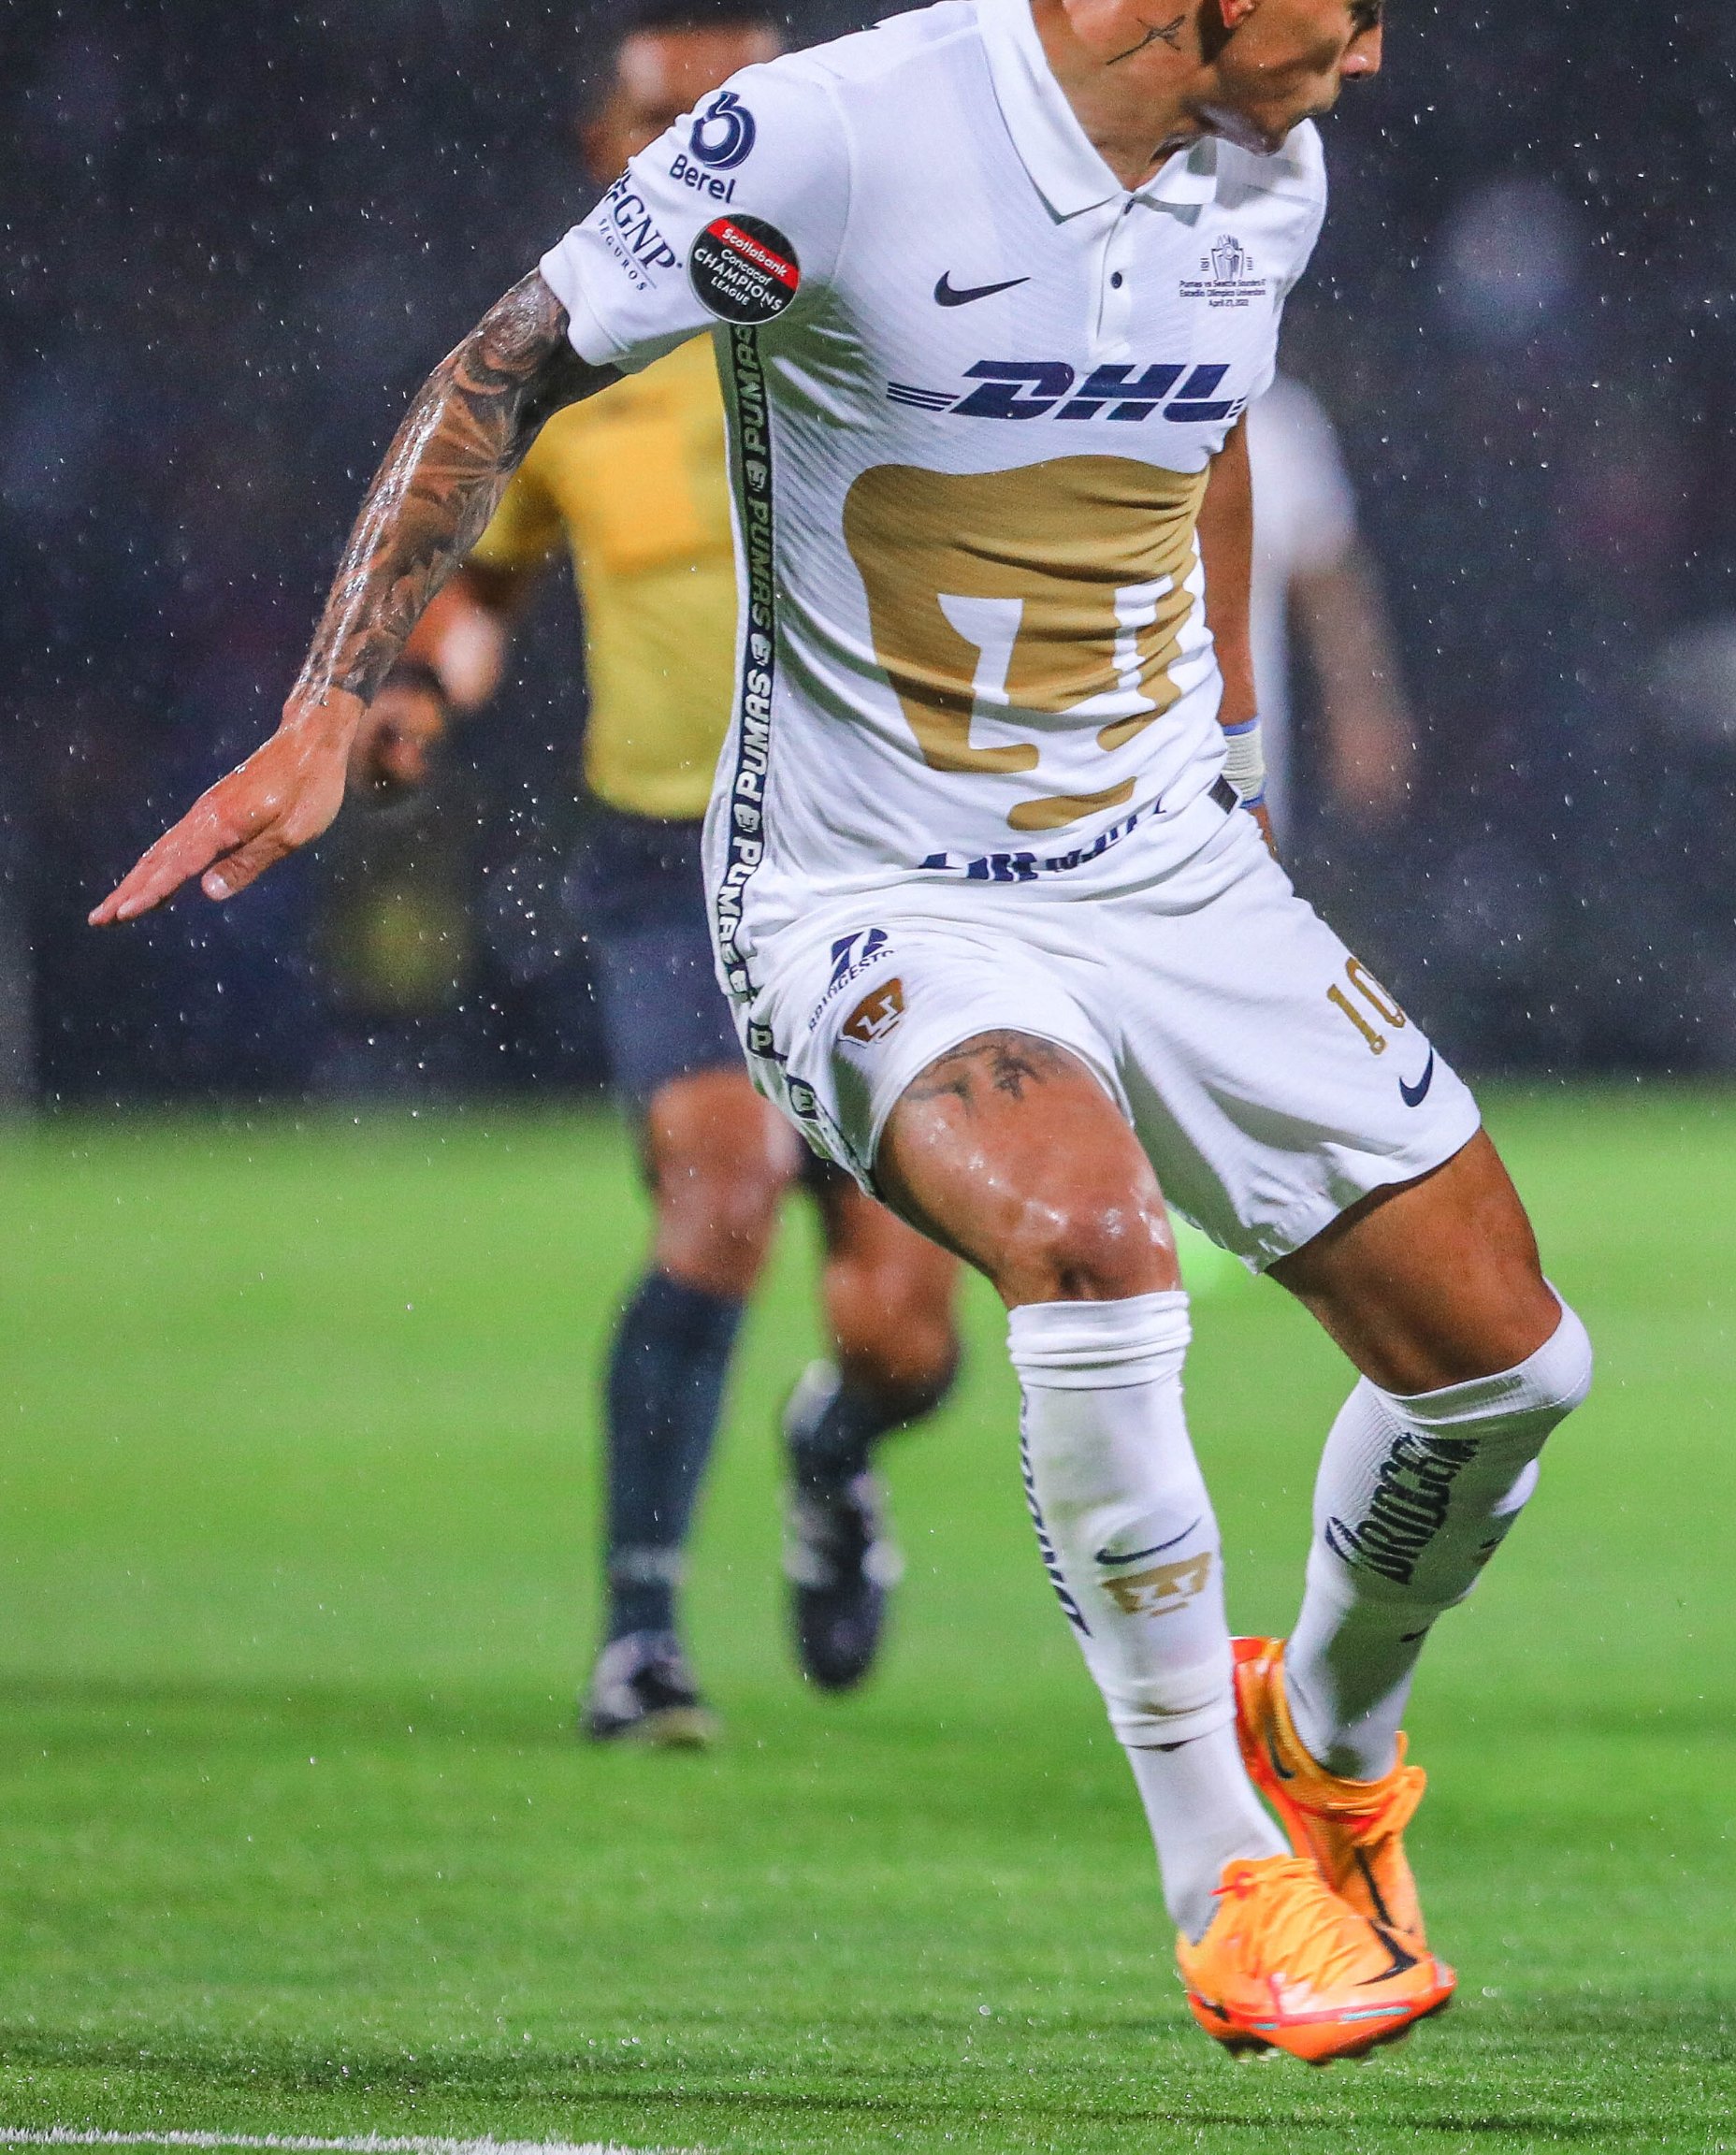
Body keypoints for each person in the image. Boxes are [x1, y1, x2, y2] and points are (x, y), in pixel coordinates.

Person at [94, 0, 1581, 2067]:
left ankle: (1325, 1735)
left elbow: (1213, 425)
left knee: (1510, 1373)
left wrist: (1231, 737)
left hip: (1166, 862)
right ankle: (1224, 1881)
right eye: (1340, 3)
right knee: (1092, 1246)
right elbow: (503, 361)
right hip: (866, 889)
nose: (1380, 47)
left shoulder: (1271, 164)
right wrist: (336, 697)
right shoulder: (838, 137)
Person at [366, 0, 968, 1745]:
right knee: (714, 1193)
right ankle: (641, 1633)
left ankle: (833, 1448)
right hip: (671, 853)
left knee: (901, 1328)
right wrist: (419, 687)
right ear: (607, 153)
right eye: (669, 112)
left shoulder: (871, 315)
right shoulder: (571, 377)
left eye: (742, 104)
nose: (709, 136)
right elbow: (488, 586)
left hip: (881, 856)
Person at [1237, 373, 1415, 846]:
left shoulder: (1272, 422)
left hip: (1237, 771)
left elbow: (1326, 572)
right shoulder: (1079, 416)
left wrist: (1362, 707)